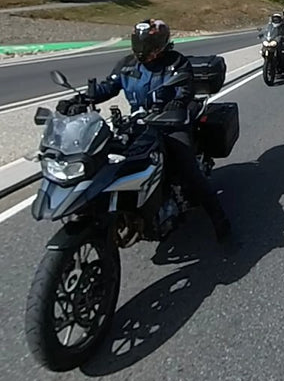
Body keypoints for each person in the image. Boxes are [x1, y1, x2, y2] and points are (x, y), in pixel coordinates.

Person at [56, 19, 231, 242]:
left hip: (171, 123)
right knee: (108, 160)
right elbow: (108, 87)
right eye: (140, 44)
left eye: (148, 45)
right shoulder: (127, 65)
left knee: (188, 169)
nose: (143, 51)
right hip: (139, 123)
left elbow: (184, 89)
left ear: (162, 44)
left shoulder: (176, 62)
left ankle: (219, 219)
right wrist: (79, 99)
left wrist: (176, 104)